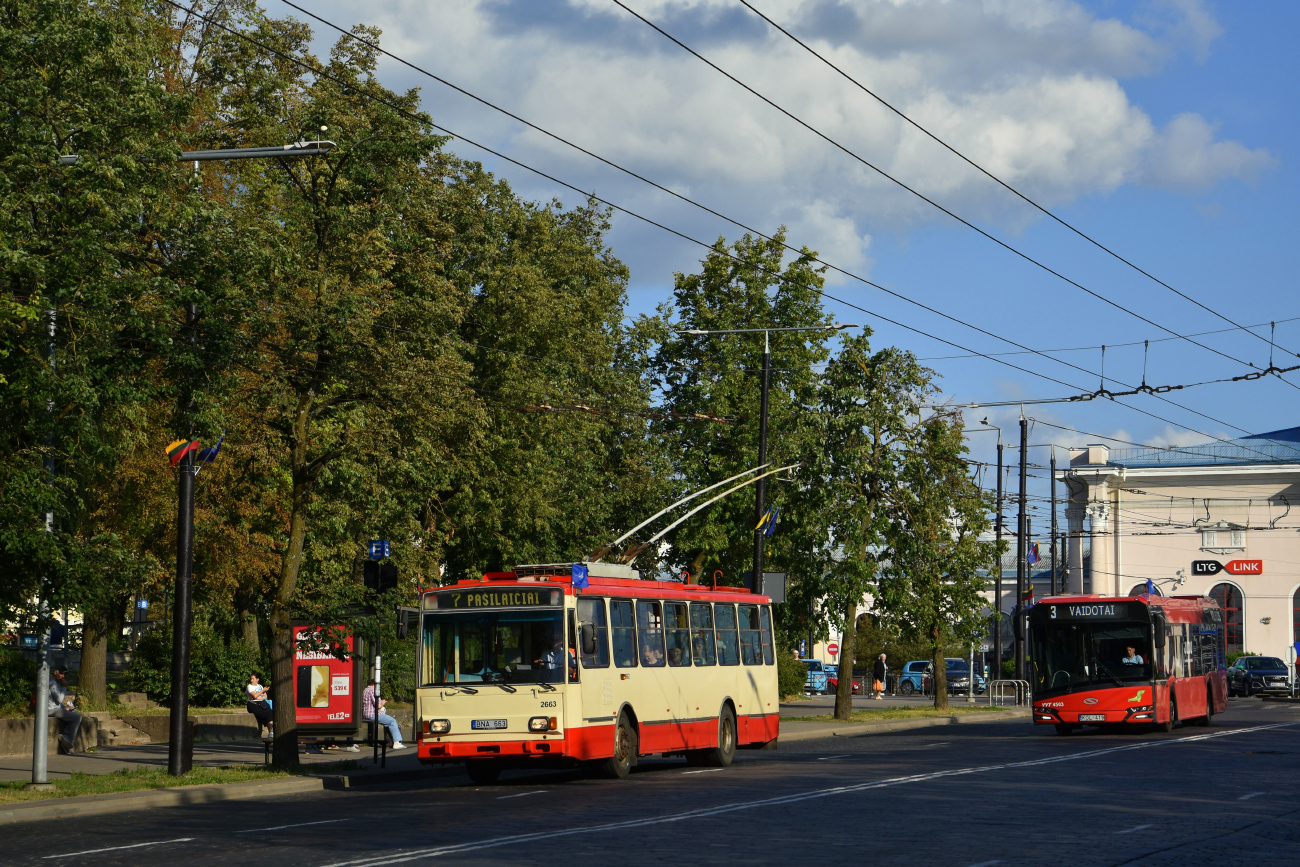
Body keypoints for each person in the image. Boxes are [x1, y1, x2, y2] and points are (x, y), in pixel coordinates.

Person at [363, 678, 405, 750]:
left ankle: (391, 741)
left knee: (387, 722)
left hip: (365, 714)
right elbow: (378, 706)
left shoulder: (365, 690)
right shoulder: (373, 691)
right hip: (373, 714)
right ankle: (396, 742)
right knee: (392, 721)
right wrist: (382, 702)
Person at [49, 667, 82, 754]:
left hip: (53, 708)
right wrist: (64, 688)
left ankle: (65, 741)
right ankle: (69, 740)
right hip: (50, 710)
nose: (63, 676)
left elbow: (55, 702)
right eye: (61, 674)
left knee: (70, 714)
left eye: (65, 675)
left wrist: (64, 708)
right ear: (56, 672)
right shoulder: (53, 684)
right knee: (77, 717)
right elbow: (59, 699)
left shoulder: (53, 682)